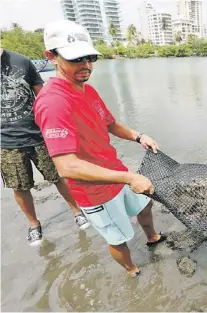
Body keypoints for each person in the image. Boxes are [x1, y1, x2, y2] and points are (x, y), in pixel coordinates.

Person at [33, 20, 167, 277]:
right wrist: (130, 177)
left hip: (115, 170)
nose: (85, 65)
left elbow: (111, 124)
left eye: (89, 57)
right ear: (51, 57)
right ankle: (132, 269)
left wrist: (139, 136)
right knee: (118, 237)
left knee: (145, 204)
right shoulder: (53, 103)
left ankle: (152, 237)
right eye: (75, 59)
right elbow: (67, 166)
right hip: (93, 189)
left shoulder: (88, 90)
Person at [1, 48, 90, 246]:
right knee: (19, 186)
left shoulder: (21, 61)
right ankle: (34, 225)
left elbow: (43, 95)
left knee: (59, 176)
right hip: (6, 142)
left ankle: (77, 211)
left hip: (39, 134)